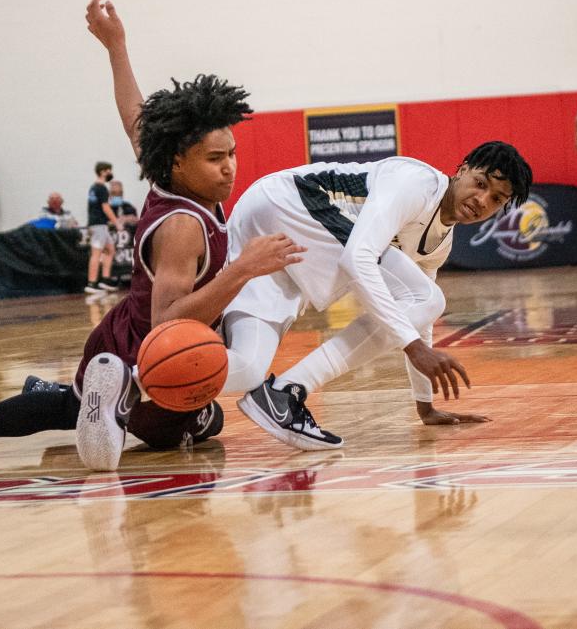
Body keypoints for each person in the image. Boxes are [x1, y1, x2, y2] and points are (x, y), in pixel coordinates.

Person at [0, 0, 305, 471]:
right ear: (180, 160)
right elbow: (168, 319)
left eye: (231, 154)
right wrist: (243, 269)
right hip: (149, 351)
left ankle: (60, 400)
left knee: (200, 422)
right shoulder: (185, 224)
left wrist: (116, 46)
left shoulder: (168, 170)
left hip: (124, 333)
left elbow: (133, 116)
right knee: (179, 429)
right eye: (215, 158)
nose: (229, 168)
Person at [222, 141, 532, 450]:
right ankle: (286, 391)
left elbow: (420, 316)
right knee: (427, 296)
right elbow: (357, 258)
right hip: (288, 202)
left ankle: (177, 396)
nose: (482, 199)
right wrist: (411, 347)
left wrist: (425, 406)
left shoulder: (440, 244)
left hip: (278, 239)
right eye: (480, 183)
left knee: (246, 367)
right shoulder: (418, 183)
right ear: (461, 170)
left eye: (496, 198)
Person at [84, 161, 120, 294]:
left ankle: (105, 279)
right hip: (98, 225)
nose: (110, 173)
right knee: (96, 253)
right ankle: (92, 283)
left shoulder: (93, 187)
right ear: (103, 171)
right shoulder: (102, 188)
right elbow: (105, 207)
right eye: (109, 170)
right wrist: (117, 222)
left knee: (110, 249)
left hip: (99, 224)